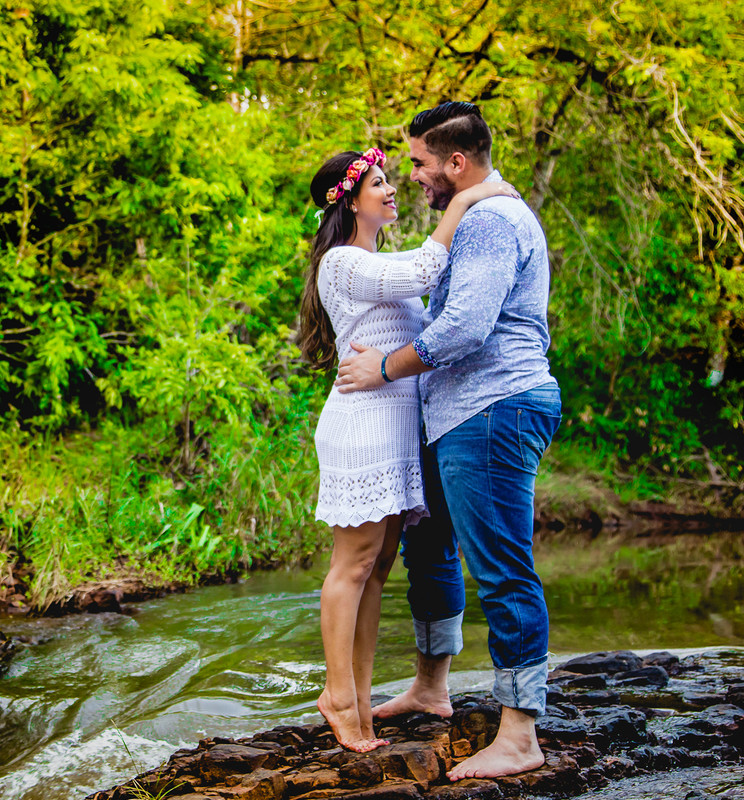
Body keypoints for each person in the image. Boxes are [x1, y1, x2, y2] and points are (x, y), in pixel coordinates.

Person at [333, 101, 562, 780]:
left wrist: (382, 366)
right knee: (428, 543)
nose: (414, 176)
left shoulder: (491, 219)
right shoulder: (476, 212)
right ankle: (433, 687)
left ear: (455, 162)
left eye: (419, 163)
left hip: (494, 408)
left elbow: (464, 327)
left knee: (500, 563)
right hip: (455, 412)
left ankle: (520, 733)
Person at [298, 147, 517, 752]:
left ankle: (359, 698)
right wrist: (471, 197)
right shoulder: (342, 263)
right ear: (348, 200)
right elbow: (426, 270)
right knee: (353, 565)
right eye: (378, 182)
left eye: (390, 179)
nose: (391, 189)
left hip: (397, 428)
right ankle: (337, 695)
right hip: (364, 428)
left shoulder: (371, 259)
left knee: (377, 573)